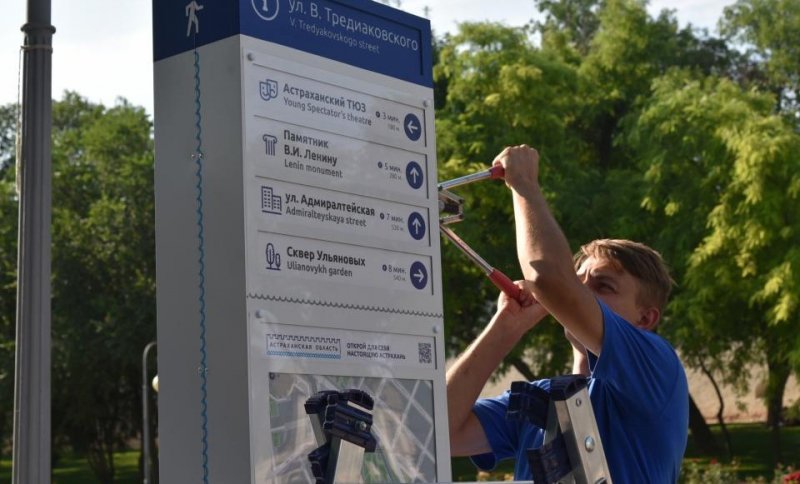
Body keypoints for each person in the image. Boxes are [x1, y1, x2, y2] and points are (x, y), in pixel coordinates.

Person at [446, 145, 689, 482]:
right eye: (578, 281)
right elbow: (434, 432)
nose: (581, 293)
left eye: (603, 285)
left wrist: (524, 184)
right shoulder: (542, 400)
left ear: (645, 319)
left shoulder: (655, 365)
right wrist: (505, 329)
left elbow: (550, 280)